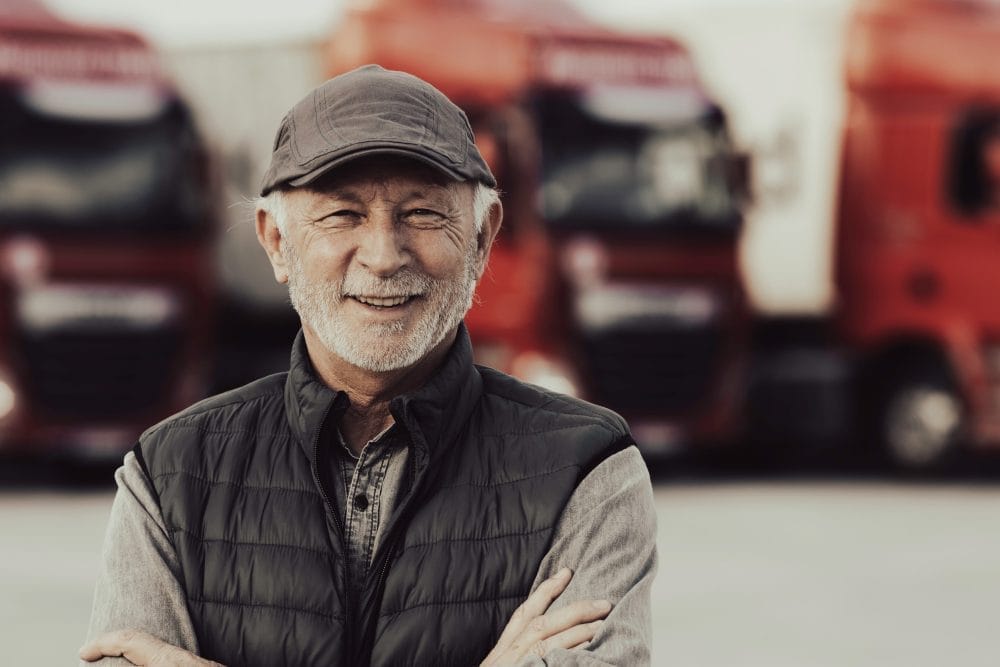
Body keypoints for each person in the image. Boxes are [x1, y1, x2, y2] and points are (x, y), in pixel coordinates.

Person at [80, 64, 657, 666]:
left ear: (482, 239)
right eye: (342, 214)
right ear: (276, 242)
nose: (383, 256)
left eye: (422, 213)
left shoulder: (587, 471)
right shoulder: (168, 476)